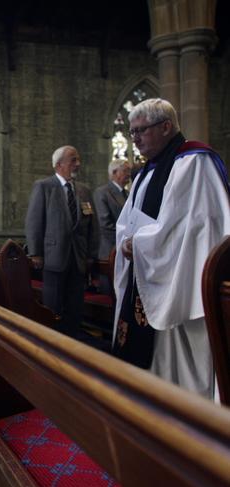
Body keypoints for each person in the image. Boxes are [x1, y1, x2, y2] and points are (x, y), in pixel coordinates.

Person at [113, 98, 230, 400]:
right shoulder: (145, 173)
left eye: (141, 130)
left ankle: (188, 414)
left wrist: (136, 243)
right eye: (132, 132)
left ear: (166, 127)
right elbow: (126, 221)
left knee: (182, 363)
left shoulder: (193, 162)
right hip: (149, 273)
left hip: (182, 278)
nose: (135, 138)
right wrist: (129, 240)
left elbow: (190, 227)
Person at [25, 146, 99, 338]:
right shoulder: (44, 186)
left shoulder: (84, 190)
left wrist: (91, 254)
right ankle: (52, 345)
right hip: (53, 257)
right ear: (59, 164)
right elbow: (34, 222)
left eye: (78, 159)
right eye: (73, 160)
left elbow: (93, 225)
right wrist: (35, 252)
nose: (78, 164)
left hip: (78, 258)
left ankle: (73, 345)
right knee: (54, 306)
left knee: (75, 307)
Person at [93, 159, 130, 260]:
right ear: (114, 172)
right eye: (125, 171)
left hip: (126, 248)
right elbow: (105, 224)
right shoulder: (102, 193)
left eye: (129, 171)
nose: (129, 174)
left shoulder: (128, 194)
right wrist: (125, 240)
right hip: (111, 249)